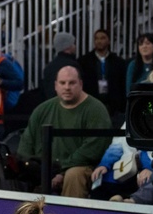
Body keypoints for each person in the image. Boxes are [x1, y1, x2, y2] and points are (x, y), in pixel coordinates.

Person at [18, 65, 113, 198]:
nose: (67, 87)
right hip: (43, 170)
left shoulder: (96, 110)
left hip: (82, 168)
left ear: (80, 84)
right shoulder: (42, 110)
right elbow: (26, 144)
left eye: (72, 83)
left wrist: (61, 172)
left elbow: (93, 150)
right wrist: (30, 168)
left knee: (74, 174)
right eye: (62, 83)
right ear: (56, 85)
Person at [78, 28, 128, 123]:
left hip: (114, 107)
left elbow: (122, 84)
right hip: (91, 104)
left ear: (108, 41)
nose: (99, 41)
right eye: (97, 38)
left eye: (102, 38)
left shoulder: (118, 62)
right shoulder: (84, 61)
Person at [39, 31, 80, 100]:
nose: (75, 46)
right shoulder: (72, 66)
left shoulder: (49, 66)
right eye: (73, 43)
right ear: (68, 45)